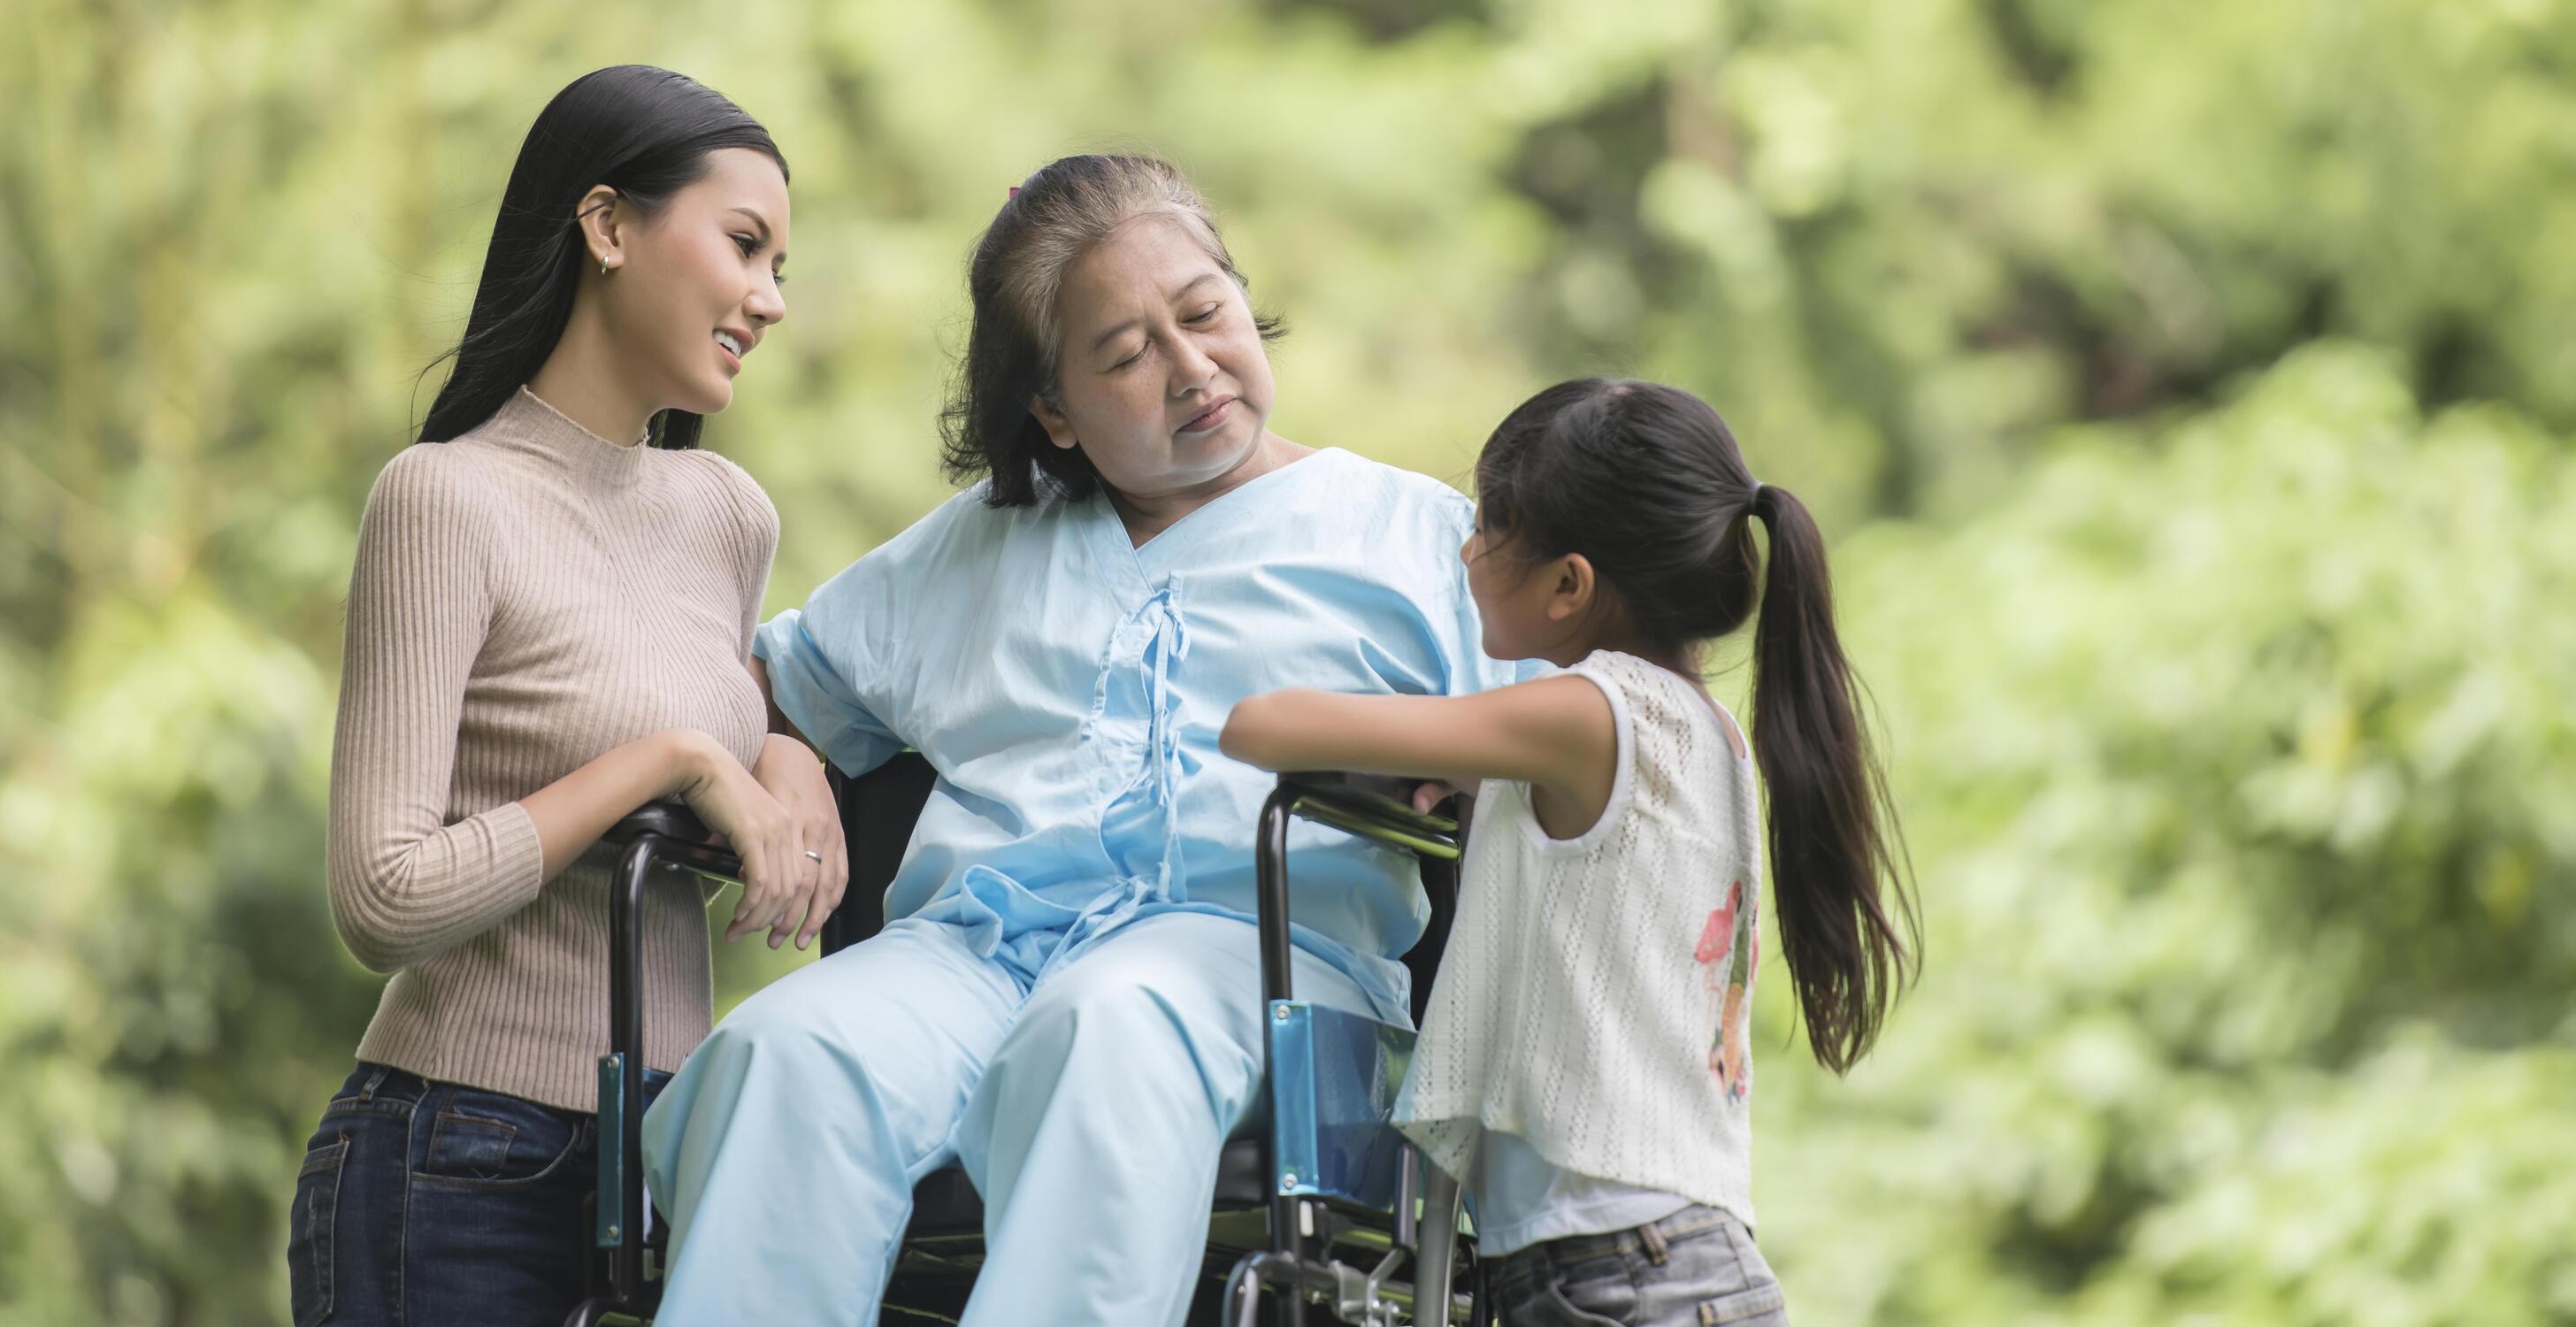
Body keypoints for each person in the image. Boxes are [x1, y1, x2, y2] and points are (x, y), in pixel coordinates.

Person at [642, 153, 1521, 1326]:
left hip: (1266, 977)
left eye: (1204, 315)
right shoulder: (982, 546)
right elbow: (781, 679)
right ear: (1053, 408)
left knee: (1110, 1019)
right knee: (785, 1056)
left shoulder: (1416, 539)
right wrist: (792, 753)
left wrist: (1466, 771)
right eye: (1123, 355)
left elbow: (1573, 750)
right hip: (975, 955)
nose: (1191, 367)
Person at [289, 66, 848, 1327]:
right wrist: (668, 764)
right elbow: (381, 897)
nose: (767, 300)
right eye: (744, 246)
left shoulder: (728, 516)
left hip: (661, 1161)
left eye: (779, 266)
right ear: (606, 226)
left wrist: (788, 755)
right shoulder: (444, 498)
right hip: (454, 1162)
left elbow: (724, 696)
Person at [1223, 378, 1920, 1327]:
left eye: (1485, 526)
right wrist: (1490, 791)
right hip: (1682, 1255)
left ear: (1569, 584)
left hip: (1612, 1269)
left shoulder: (1583, 711)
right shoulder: (1708, 733)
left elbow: (1263, 727)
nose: (1465, 554)